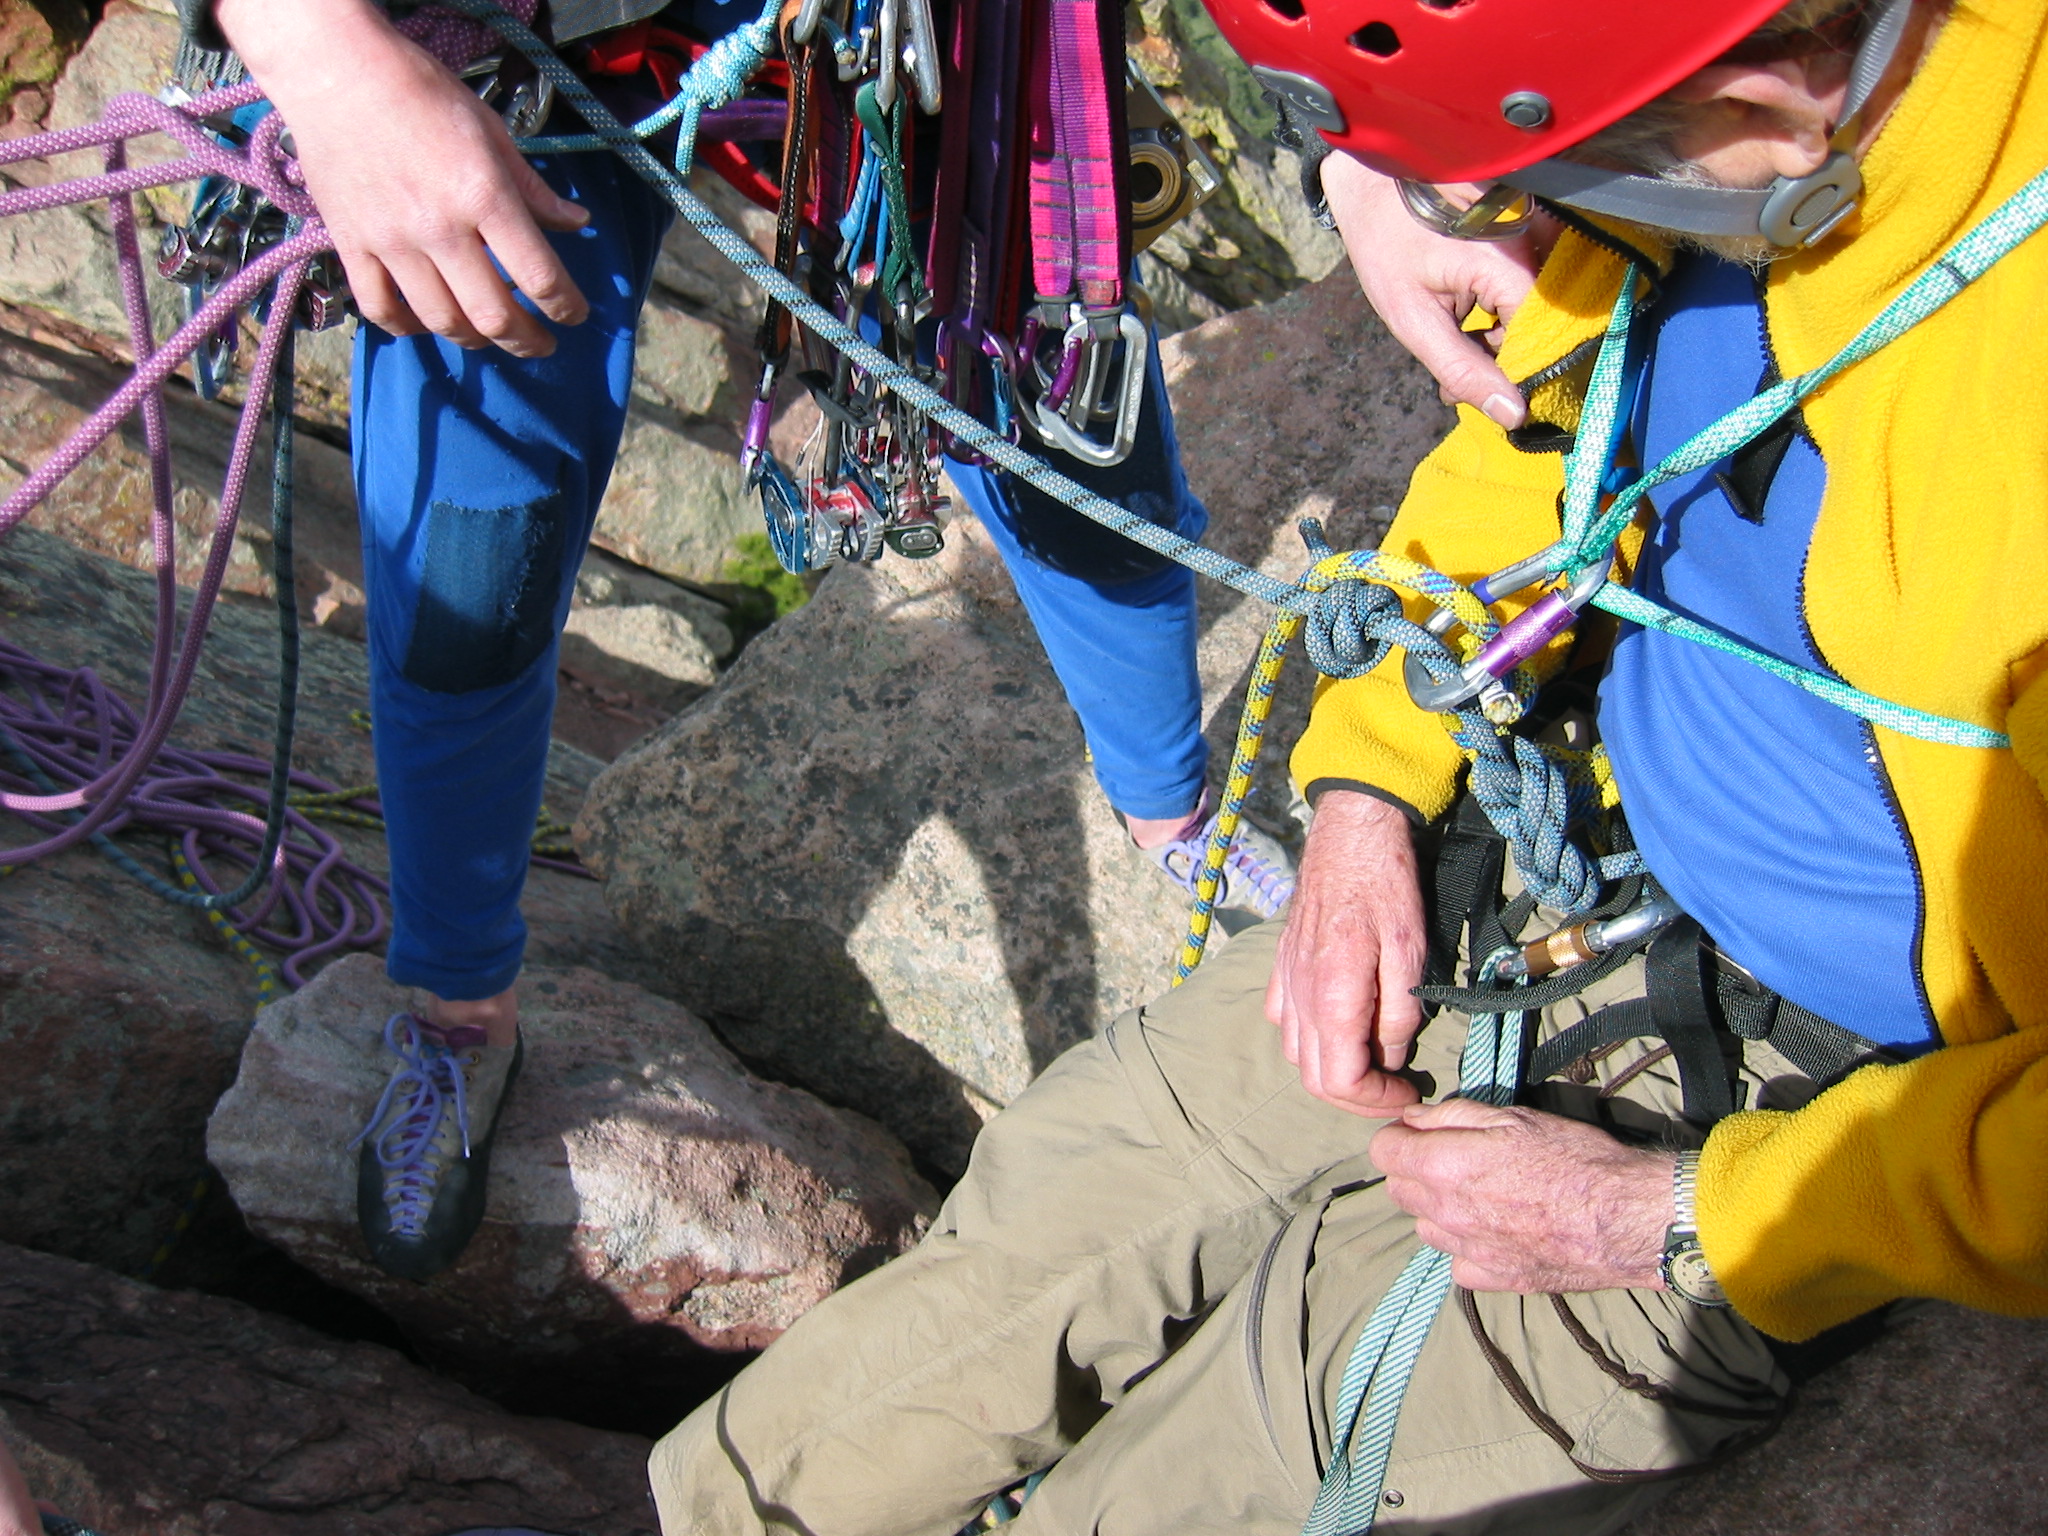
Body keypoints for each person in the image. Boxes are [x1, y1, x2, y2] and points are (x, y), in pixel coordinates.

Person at [643, 0, 2048, 1530]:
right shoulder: (1721, 127)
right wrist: (1373, 797)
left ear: (1762, 108)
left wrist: (1681, 1216)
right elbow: (1543, 447)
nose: (1510, 241)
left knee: (1219, 1473)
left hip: (1802, 1099)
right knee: (1078, 1194)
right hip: (1540, 842)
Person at [180, 0, 1295, 1282]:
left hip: (895, 26)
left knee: (1071, 447)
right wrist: (326, 61)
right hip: (478, 42)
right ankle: (457, 1011)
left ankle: (1170, 807)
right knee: (469, 571)